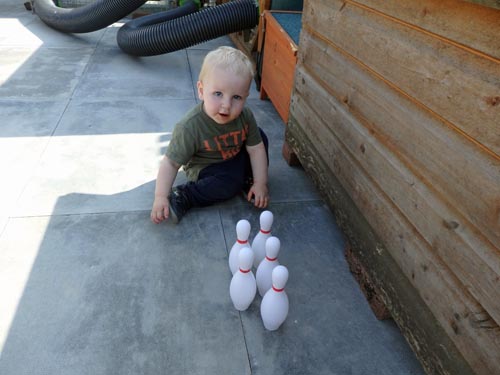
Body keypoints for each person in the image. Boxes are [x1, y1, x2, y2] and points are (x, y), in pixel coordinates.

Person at [151, 46, 269, 224]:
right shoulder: (190, 127)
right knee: (227, 182)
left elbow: (256, 149)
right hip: (207, 170)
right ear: (201, 90)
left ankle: (250, 181)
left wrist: (261, 183)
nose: (226, 105)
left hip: (233, 159)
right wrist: (160, 196)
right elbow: (171, 162)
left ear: (245, 97)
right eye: (218, 94)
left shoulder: (246, 117)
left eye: (236, 97)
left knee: (260, 138)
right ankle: (185, 195)